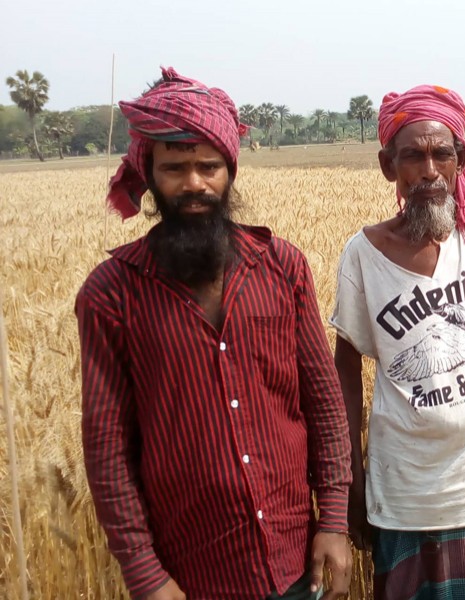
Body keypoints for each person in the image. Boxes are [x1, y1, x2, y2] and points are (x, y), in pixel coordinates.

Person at [76, 67, 352, 600]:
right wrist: (145, 576)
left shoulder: (282, 266)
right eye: (175, 168)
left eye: (209, 166)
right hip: (191, 576)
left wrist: (334, 521)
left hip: (296, 562)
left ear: (230, 169)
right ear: (150, 174)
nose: (194, 183)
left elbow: (322, 402)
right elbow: (108, 449)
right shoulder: (111, 293)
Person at [330, 84, 465, 600]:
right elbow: (346, 372)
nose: (428, 170)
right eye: (413, 156)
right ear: (389, 166)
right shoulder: (362, 255)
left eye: (441, 154)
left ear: (460, 160)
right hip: (410, 490)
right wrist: (351, 482)